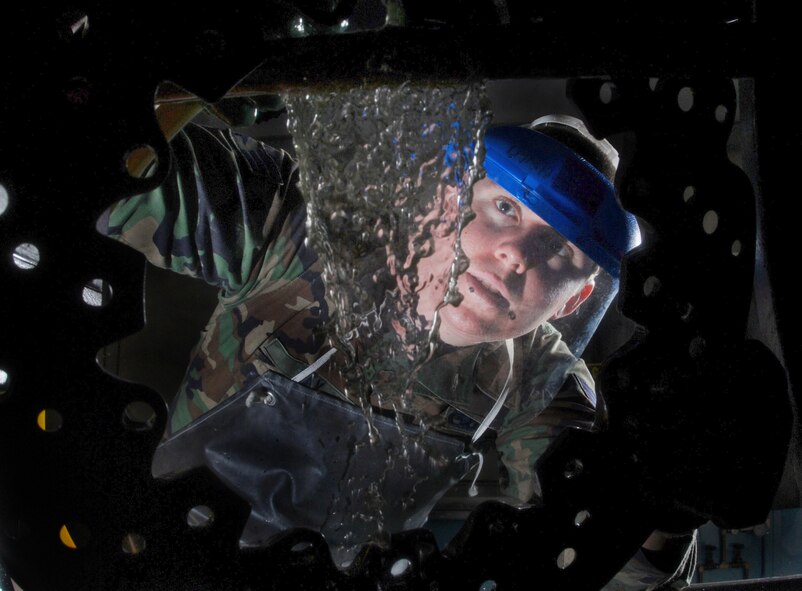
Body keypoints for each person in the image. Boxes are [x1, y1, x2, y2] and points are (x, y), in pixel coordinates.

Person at [98, 111, 691, 587]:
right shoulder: (302, 230)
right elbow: (114, 171)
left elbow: (609, 556)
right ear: (449, 200)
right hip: (153, 557)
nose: (516, 255)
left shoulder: (539, 377)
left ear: (572, 301)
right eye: (505, 208)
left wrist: (666, 498)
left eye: (559, 250)